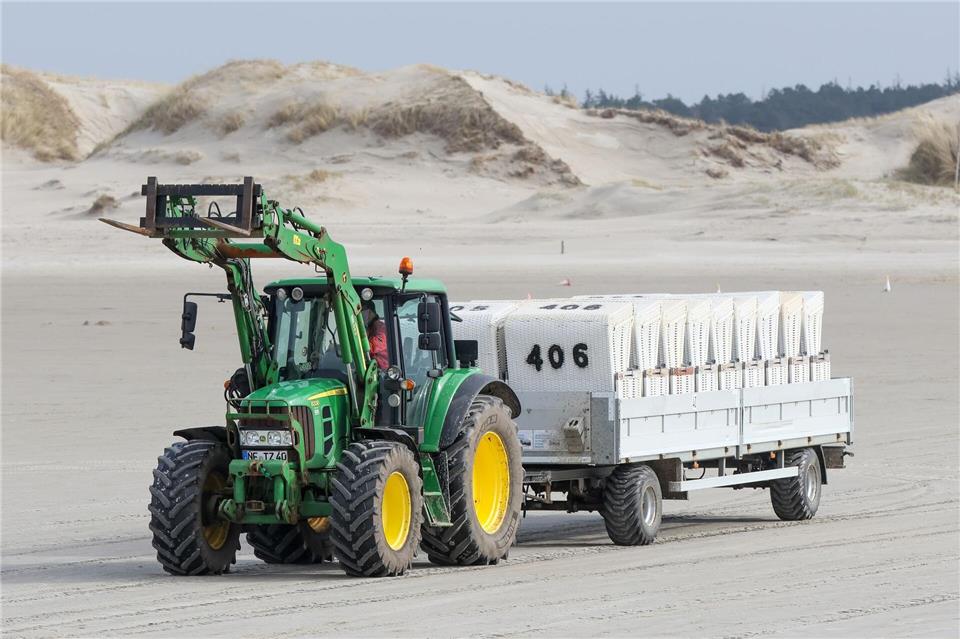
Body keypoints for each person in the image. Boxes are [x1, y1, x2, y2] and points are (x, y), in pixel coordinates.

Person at [362, 303, 389, 370]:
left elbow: (373, 347)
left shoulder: (381, 327)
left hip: (382, 369)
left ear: (370, 312)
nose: (361, 315)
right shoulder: (370, 327)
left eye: (362, 311)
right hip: (371, 366)